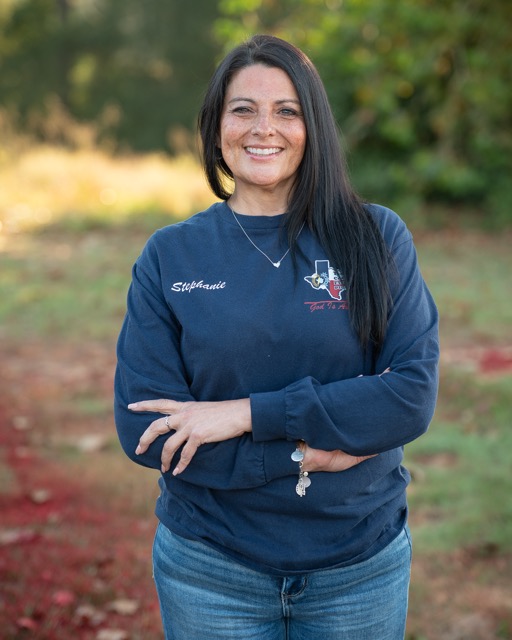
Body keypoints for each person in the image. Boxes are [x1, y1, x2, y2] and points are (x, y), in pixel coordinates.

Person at [114, 34, 439, 640]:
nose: (264, 129)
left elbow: (409, 397)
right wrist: (308, 452)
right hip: (210, 570)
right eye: (244, 109)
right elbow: (148, 430)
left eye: (287, 111)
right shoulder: (171, 255)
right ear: (216, 129)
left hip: (359, 567)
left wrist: (242, 414)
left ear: (313, 127)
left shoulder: (376, 236)